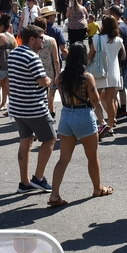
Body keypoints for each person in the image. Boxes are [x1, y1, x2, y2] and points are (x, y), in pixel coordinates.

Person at [46, 43, 111, 206]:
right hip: (84, 115)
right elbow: (95, 100)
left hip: (66, 115)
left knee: (63, 158)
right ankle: (97, 188)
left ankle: (54, 195)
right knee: (92, 156)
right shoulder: (87, 77)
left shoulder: (61, 76)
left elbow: (61, 93)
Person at [8, 25, 56, 193]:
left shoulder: (13, 53)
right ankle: (38, 178)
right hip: (34, 107)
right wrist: (49, 81)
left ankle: (24, 182)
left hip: (17, 106)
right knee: (50, 139)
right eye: (41, 38)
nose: (43, 41)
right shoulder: (32, 57)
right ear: (32, 39)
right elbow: (43, 81)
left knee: (25, 142)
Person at [89, 16, 125, 137]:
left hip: (100, 72)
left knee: (94, 99)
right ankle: (110, 126)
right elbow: (123, 56)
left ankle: (102, 122)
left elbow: (90, 55)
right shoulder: (118, 40)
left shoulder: (97, 38)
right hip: (113, 72)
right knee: (111, 101)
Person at [33, 17, 61, 118]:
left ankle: (40, 111)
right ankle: (48, 111)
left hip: (34, 69)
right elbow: (56, 60)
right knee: (50, 91)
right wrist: (58, 74)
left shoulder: (32, 41)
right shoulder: (51, 40)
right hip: (48, 69)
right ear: (45, 28)